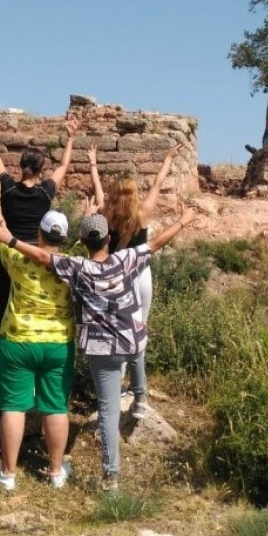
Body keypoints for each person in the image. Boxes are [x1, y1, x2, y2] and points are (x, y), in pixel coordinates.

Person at [0, 201, 196, 491]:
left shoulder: (77, 267)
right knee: (133, 356)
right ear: (109, 239)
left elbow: (40, 255)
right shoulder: (125, 259)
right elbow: (156, 243)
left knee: (108, 411)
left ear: (81, 242)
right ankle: (139, 398)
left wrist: (10, 239)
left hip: (101, 350)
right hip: (129, 341)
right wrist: (184, 221)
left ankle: (110, 477)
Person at [0, 182, 75, 491]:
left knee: (13, 406)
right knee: (56, 407)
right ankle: (55, 472)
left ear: (39, 232)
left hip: (18, 341)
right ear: (63, 238)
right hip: (58, 344)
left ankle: (8, 474)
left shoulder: (16, 259)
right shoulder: (73, 267)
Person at [88, 142, 185, 418]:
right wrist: (167, 158)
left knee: (116, 333)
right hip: (141, 277)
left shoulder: (105, 213)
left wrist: (93, 164)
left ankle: (117, 390)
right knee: (138, 334)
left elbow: (96, 189)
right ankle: (140, 398)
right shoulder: (141, 214)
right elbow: (157, 184)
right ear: (133, 195)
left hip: (115, 279)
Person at [0, 105, 77, 337]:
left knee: (4, 305)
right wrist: (71, 138)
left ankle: (1, 354)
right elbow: (64, 166)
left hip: (9, 256)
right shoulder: (45, 193)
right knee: (37, 302)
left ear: (21, 166)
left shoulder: (7, 189)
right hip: (37, 255)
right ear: (41, 170)